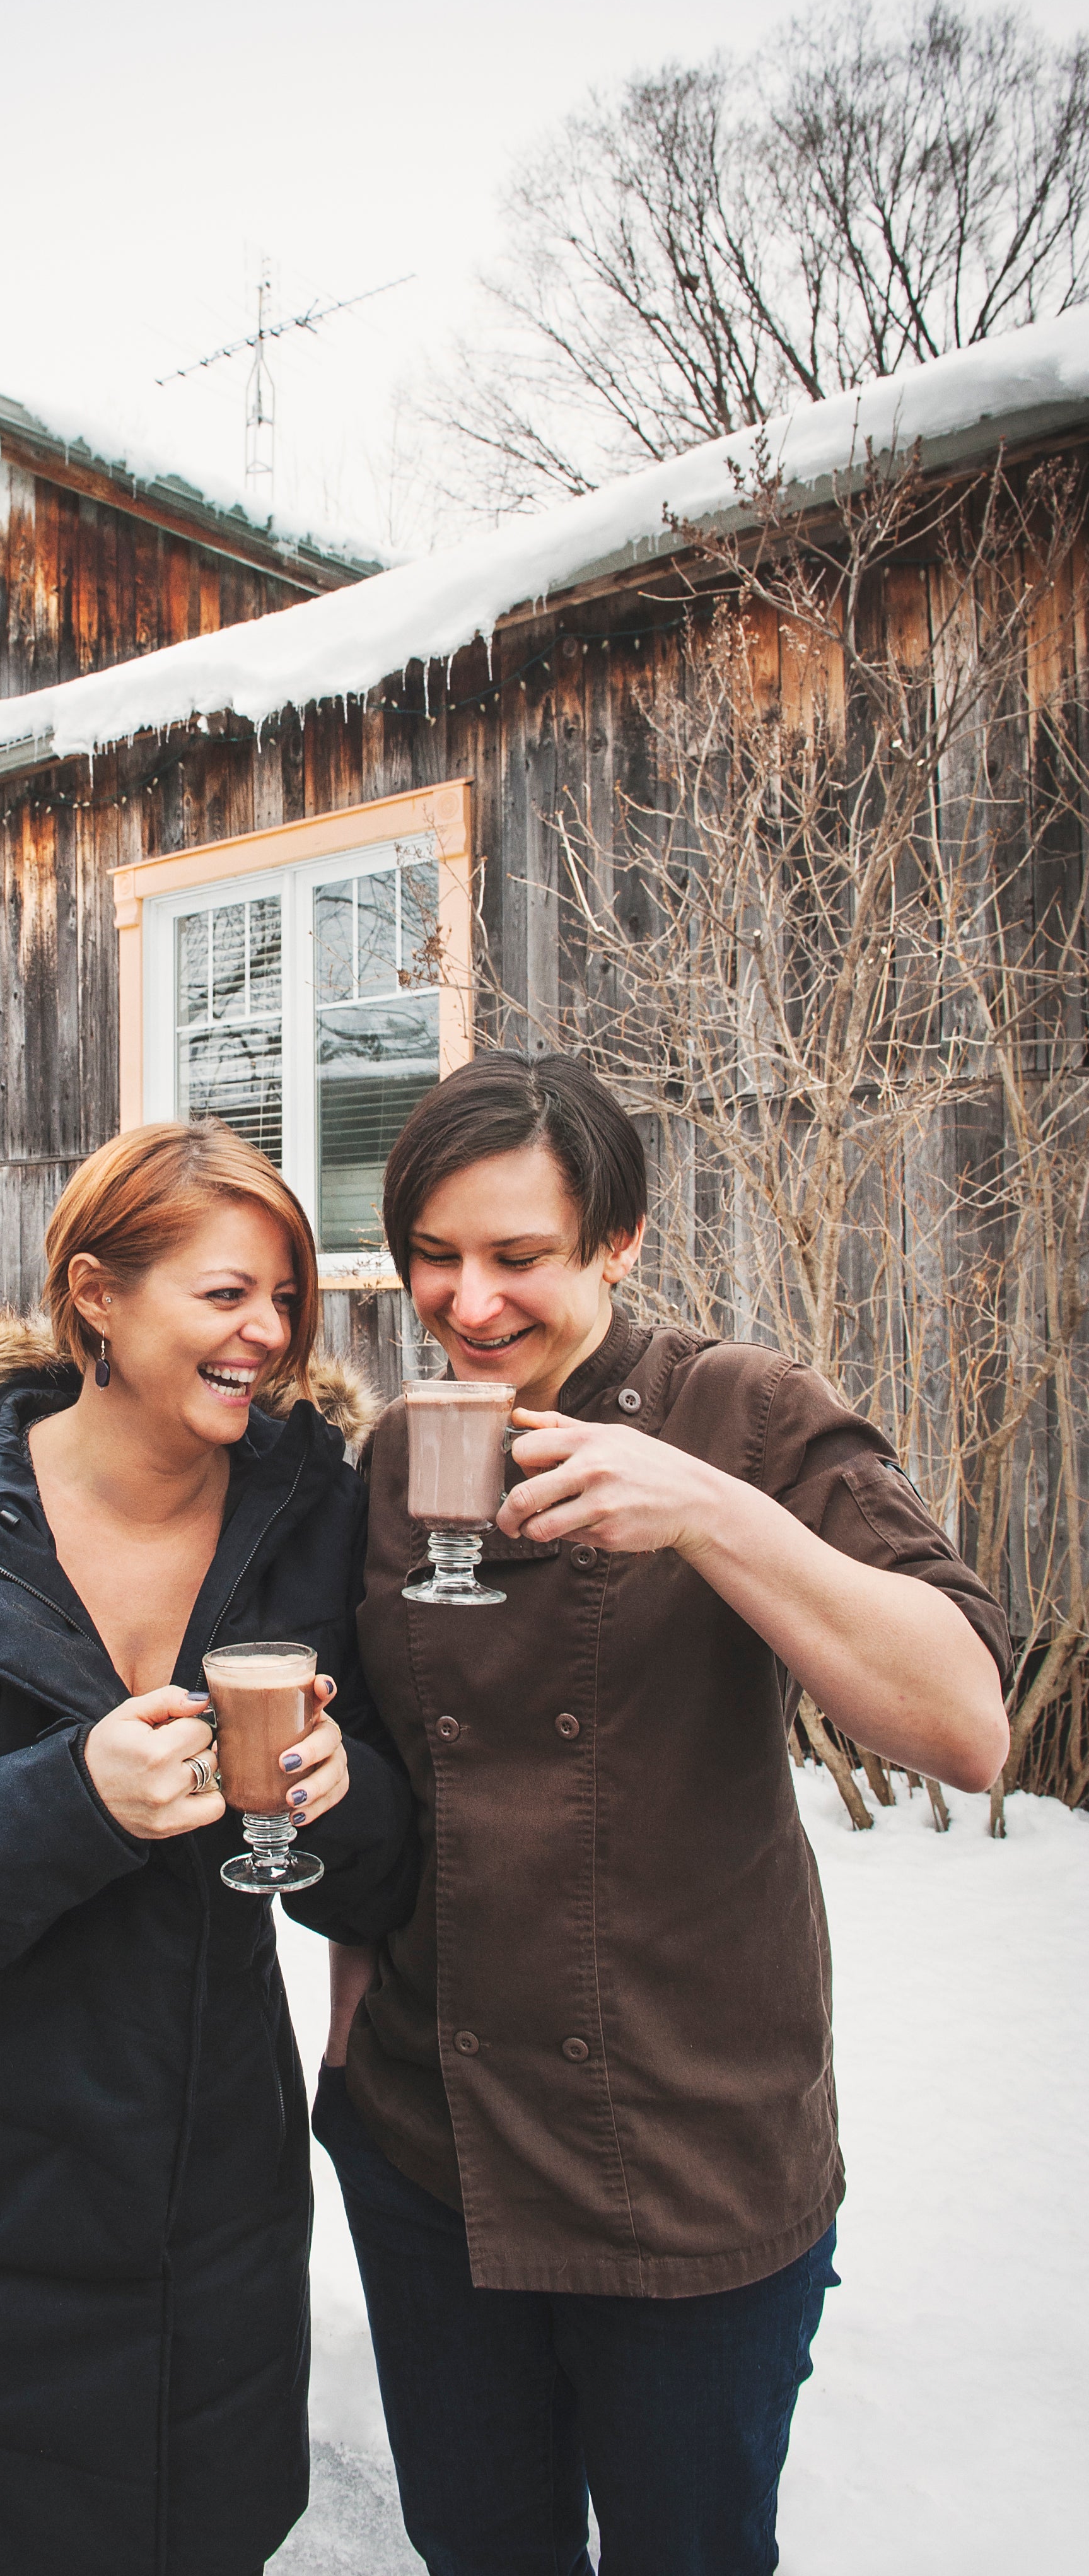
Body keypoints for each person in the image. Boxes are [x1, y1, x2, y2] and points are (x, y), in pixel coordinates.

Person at [317, 1052, 1011, 2576]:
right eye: (434, 1257)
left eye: (519, 1257)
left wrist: (708, 1509)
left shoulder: (743, 1411)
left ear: (618, 1244)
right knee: (480, 2548)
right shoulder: (397, 1458)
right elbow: (386, 1775)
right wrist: (348, 2029)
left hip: (689, 2167)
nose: (468, 1301)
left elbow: (965, 1721)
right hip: (437, 2158)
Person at [0, 1120, 417, 2576]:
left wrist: (336, 1793)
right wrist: (71, 1799)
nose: (271, 1334)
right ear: (98, 1295)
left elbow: (385, 1875)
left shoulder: (319, 1523)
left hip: (198, 2193)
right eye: (228, 1293)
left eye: (289, 1299)